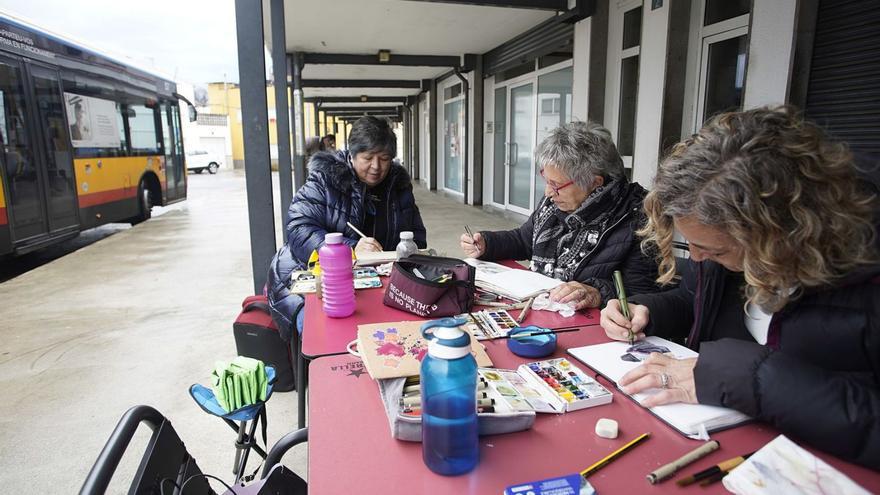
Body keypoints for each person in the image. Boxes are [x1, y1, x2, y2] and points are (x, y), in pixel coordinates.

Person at [600, 105, 880, 469]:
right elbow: (696, 301)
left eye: (714, 249)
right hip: (713, 444)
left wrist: (750, 378)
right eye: (692, 244)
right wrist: (647, 311)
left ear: (781, 233)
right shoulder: (730, 251)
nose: (697, 259)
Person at [460, 121, 661, 310]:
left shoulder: (640, 218)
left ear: (595, 183)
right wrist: (487, 243)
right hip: (547, 311)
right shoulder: (556, 202)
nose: (548, 192)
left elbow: (642, 294)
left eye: (556, 185)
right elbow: (524, 239)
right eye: (546, 180)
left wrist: (598, 292)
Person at [267, 116, 427, 339]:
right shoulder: (325, 178)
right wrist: (351, 249)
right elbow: (298, 228)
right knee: (323, 335)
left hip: (374, 283)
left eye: (384, 158)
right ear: (352, 155)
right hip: (314, 278)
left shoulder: (398, 185)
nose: (376, 167)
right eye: (368, 158)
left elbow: (416, 236)